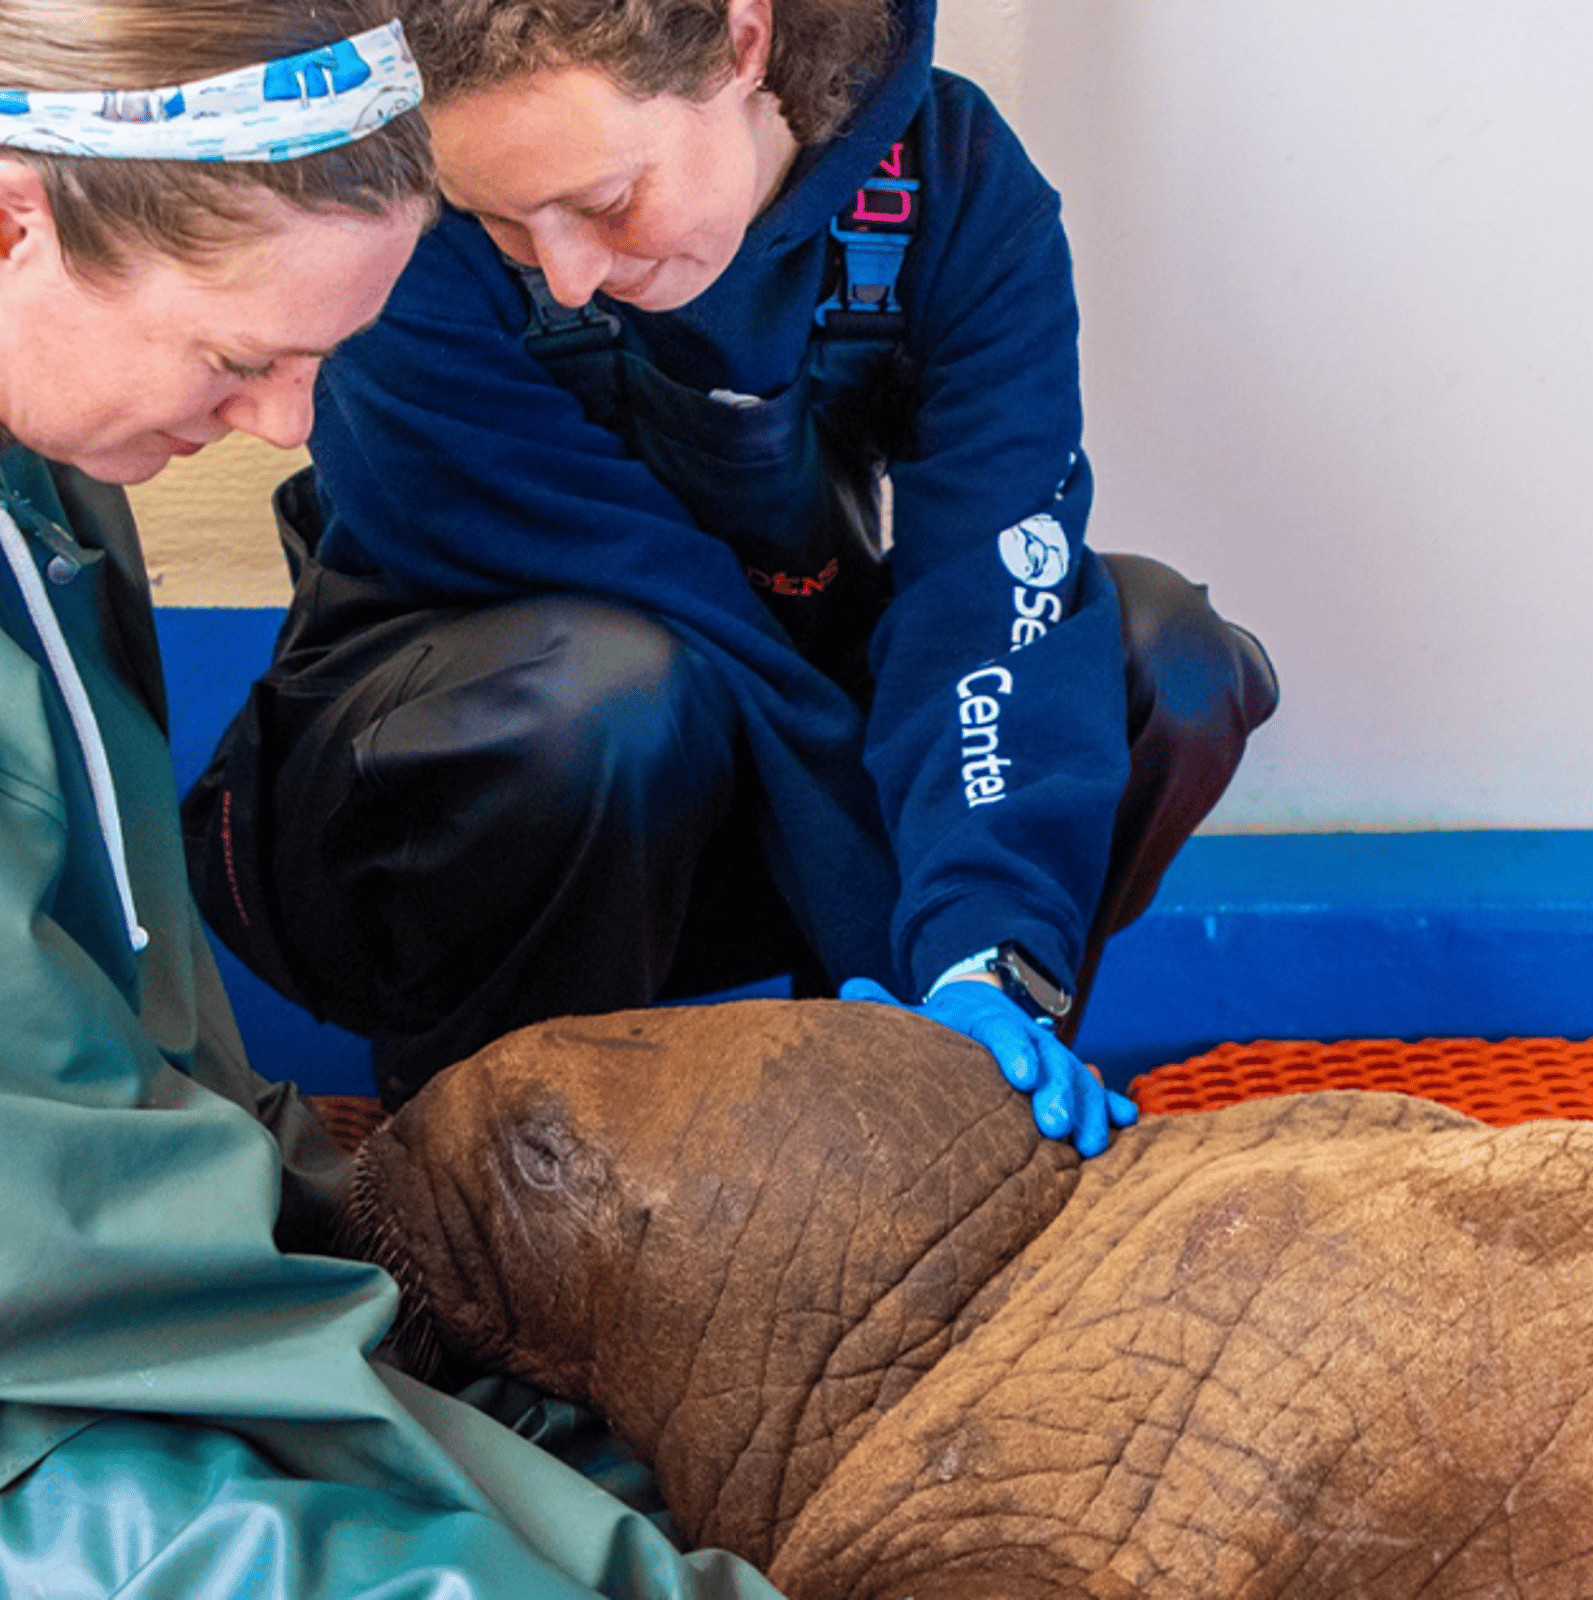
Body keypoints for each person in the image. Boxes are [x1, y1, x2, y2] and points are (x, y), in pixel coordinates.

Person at [184, 0, 1279, 1143]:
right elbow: (670, 608)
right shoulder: (393, 225)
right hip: (451, 809)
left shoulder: (955, 187)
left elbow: (992, 600)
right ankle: (493, 1164)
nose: (561, 275)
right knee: (611, 689)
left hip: (755, 772)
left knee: (1158, 657)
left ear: (742, 43)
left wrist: (978, 957)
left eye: (605, 203)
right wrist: (886, 919)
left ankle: (965, 1097)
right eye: (501, 222)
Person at [0, 3, 783, 1594]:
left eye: (315, 365)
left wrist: (452, 1328)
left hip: (100, 1274)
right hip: (48, 1347)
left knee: (606, 1445)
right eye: (242, 358)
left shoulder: (55, 475)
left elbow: (124, 1064)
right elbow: (57, 1254)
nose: (286, 430)